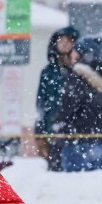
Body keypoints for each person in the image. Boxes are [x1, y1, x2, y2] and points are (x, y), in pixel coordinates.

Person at [53, 36, 102, 172]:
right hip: (97, 139)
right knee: (94, 181)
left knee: (74, 182)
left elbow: (68, 106)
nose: (72, 54)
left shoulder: (77, 76)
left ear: (84, 54)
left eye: (75, 51)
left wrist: (59, 125)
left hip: (75, 140)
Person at [34, 26, 80, 172]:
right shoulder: (48, 72)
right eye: (61, 40)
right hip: (53, 131)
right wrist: (39, 134)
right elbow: (40, 105)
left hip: (78, 132)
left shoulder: (81, 70)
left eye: (69, 40)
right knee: (55, 172)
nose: (65, 43)